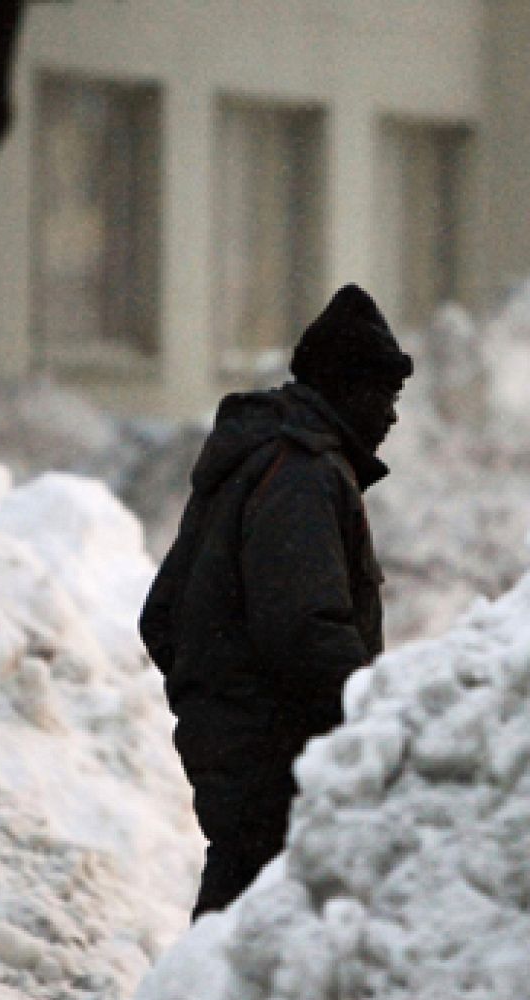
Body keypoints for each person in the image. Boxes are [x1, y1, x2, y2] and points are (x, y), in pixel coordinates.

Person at [139, 283, 412, 918]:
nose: (393, 416)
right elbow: (304, 629)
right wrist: (376, 716)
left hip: (244, 755)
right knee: (251, 925)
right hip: (276, 764)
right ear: (345, 386)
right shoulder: (302, 475)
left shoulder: (262, 459)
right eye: (385, 394)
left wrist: (216, 702)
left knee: (238, 924)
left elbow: (164, 617)